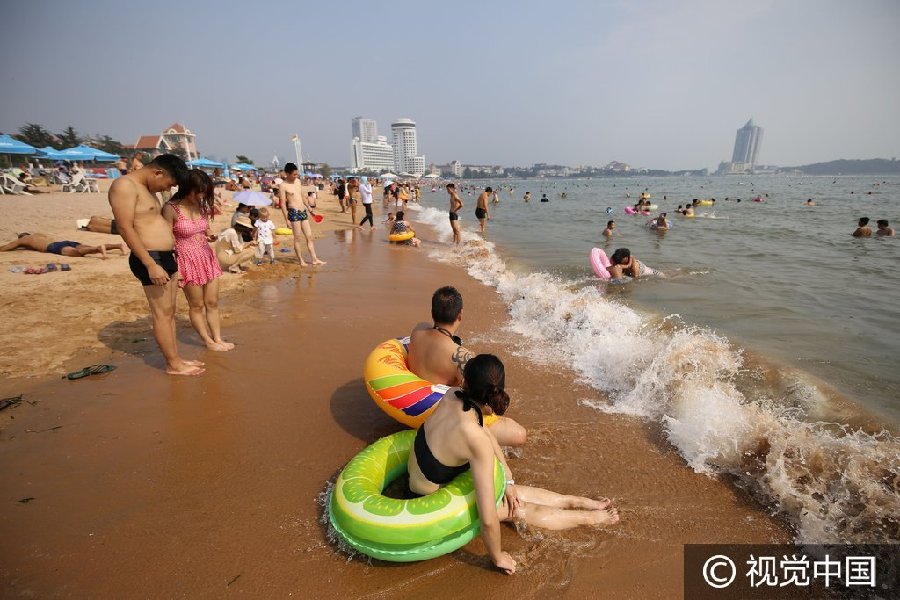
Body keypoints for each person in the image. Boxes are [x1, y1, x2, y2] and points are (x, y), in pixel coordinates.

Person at [407, 354, 619, 575]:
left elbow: (483, 430)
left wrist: (507, 476)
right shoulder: (475, 441)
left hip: (425, 475)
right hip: (426, 503)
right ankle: (588, 517)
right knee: (515, 508)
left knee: (514, 492)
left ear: (465, 381)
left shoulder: (452, 395)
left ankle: (574, 500)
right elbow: (488, 519)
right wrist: (498, 557)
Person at [108, 153, 204, 375]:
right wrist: (150, 263)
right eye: (168, 184)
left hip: (165, 256)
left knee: (169, 312)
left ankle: (176, 358)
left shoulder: (149, 190)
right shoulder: (125, 186)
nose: (166, 189)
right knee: (161, 313)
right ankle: (172, 364)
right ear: (158, 172)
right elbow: (125, 227)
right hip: (151, 257)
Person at [408, 286, 527, 447]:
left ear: (432, 312)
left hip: (413, 404)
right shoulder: (462, 357)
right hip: (442, 414)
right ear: (460, 315)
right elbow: (480, 401)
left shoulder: (418, 330)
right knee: (519, 434)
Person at [162, 169, 233, 352]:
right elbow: (165, 239)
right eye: (199, 191)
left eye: (204, 192)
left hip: (206, 257)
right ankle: (207, 341)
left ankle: (217, 338)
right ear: (188, 188)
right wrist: (173, 268)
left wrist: (210, 235)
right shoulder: (171, 208)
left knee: (212, 303)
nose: (201, 195)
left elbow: (205, 229)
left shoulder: (200, 206)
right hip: (185, 260)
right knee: (197, 304)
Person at [279, 162, 325, 266]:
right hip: (293, 213)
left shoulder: (298, 182)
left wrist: (309, 208)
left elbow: (301, 196)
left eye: (296, 174)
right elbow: (282, 203)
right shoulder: (283, 185)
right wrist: (286, 219)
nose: (296, 176)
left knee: (309, 236)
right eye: (294, 174)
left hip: (303, 211)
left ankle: (314, 259)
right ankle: (301, 260)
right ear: (287, 173)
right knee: (298, 238)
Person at [1, 233, 126, 258]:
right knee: (84, 249)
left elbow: (8, 246)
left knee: (76, 253)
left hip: (54, 247)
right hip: (65, 241)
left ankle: (98, 249)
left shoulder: (24, 239)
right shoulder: (38, 235)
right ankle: (118, 245)